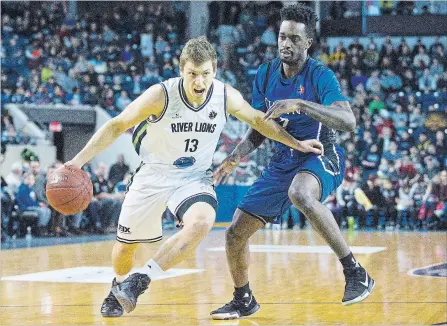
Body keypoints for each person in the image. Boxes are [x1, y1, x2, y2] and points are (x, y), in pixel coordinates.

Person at [65, 36, 323, 318]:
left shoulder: (225, 95)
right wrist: (76, 163)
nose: (199, 82)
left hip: (193, 176)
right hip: (153, 175)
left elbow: (260, 121)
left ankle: (139, 281)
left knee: (202, 221)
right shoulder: (160, 95)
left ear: (215, 70)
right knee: (125, 249)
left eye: (205, 74)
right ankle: (118, 285)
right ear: (181, 71)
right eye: (192, 75)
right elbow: (116, 125)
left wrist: (297, 144)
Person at [210, 4, 375, 320]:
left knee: (300, 194)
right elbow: (260, 128)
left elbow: (348, 120)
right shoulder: (266, 74)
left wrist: (301, 104)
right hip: (281, 161)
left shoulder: (319, 75)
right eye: (282, 37)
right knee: (234, 234)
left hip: (318, 156)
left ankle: (355, 272)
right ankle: (243, 299)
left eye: (294, 39)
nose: (286, 43)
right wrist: (234, 157)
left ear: (307, 42)